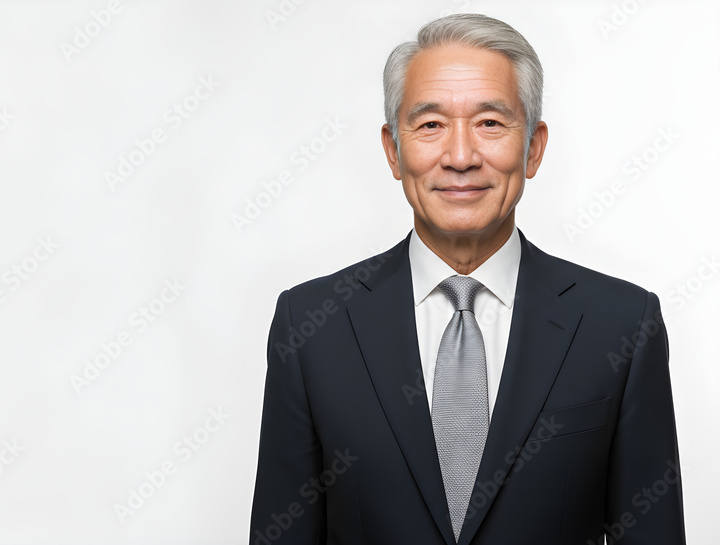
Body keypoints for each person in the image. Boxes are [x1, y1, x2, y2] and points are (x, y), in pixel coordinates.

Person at [248, 13, 685, 545]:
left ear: (535, 148)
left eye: (490, 123)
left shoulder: (621, 326)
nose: (459, 157)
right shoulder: (311, 327)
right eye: (430, 125)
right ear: (393, 150)